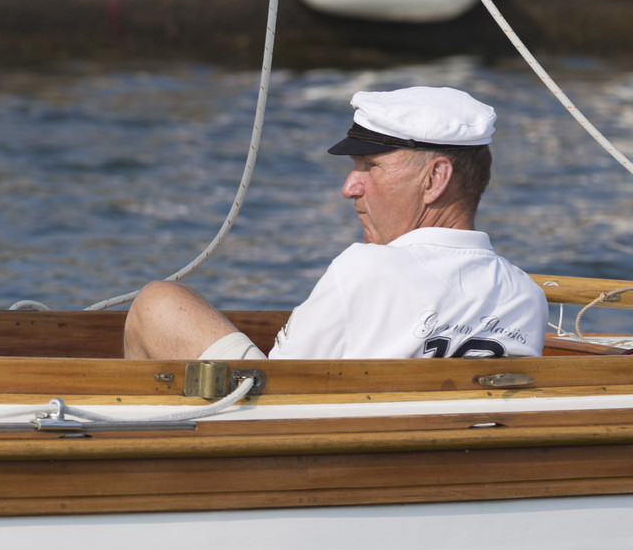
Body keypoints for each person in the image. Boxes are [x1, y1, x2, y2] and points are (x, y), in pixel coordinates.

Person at [123, 86, 546, 361]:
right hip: (449, 461)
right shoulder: (526, 297)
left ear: (434, 179)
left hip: (326, 464)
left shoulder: (364, 270)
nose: (349, 187)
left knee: (158, 301)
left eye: (370, 166)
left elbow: (282, 390)